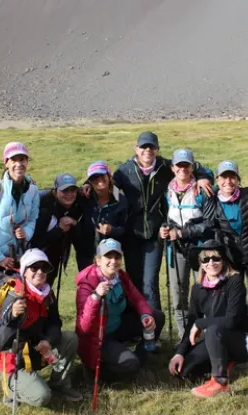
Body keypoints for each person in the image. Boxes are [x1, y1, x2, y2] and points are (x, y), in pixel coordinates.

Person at [111, 131, 213, 311]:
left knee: (150, 281)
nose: (147, 150)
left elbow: (194, 166)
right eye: (143, 147)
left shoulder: (165, 166)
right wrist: (88, 184)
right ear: (136, 149)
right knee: (134, 282)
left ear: (157, 150)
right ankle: (137, 326)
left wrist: (204, 176)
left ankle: (154, 328)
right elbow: (105, 184)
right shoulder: (124, 171)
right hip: (131, 234)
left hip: (155, 234)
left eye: (152, 147)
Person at [0, 249, 82, 406]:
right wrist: (12, 317)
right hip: (14, 361)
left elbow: (55, 323)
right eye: (34, 268)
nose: (40, 272)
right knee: (43, 397)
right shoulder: (14, 295)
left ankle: (59, 384)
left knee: (70, 339)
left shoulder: (47, 294)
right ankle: (10, 388)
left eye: (44, 268)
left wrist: (48, 341)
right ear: (24, 272)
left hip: (35, 350)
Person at [168, 240, 248, 398]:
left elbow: (231, 321)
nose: (211, 263)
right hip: (216, 339)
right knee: (184, 371)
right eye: (206, 259)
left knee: (214, 329)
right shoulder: (197, 289)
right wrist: (179, 353)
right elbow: (191, 323)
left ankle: (220, 381)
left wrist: (200, 323)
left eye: (216, 258)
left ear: (223, 260)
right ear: (200, 264)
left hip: (242, 340)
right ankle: (223, 363)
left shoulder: (235, 281)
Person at [75, 238, 165, 379]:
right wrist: (95, 297)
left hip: (117, 326)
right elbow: (83, 327)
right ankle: (95, 371)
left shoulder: (120, 276)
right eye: (108, 257)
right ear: (98, 260)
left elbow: (138, 299)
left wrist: (145, 315)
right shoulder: (87, 284)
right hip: (99, 337)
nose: (113, 261)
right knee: (130, 364)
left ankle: (140, 361)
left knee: (157, 317)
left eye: (117, 257)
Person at [201, 160, 248, 325]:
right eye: (223, 177)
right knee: (235, 300)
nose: (228, 181)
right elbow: (208, 224)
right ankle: (236, 330)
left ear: (238, 179)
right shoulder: (212, 199)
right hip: (231, 260)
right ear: (217, 180)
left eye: (232, 177)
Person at [159, 148, 211, 340]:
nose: (183, 169)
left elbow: (209, 223)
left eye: (186, 165)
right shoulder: (168, 190)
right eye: (179, 165)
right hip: (177, 250)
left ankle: (206, 336)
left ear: (192, 166)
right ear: (173, 168)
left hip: (200, 248)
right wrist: (164, 228)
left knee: (204, 292)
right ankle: (184, 338)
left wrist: (181, 232)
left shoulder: (202, 190)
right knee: (178, 295)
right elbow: (166, 217)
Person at [0, 141, 40, 275]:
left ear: (27, 162)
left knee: (20, 296)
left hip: (19, 257)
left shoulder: (33, 191)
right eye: (13, 159)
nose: (18, 164)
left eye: (22, 159)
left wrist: (26, 232)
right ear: (6, 163)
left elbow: (33, 219)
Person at [30, 172, 84, 286]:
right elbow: (35, 242)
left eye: (72, 190)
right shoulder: (44, 210)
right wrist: (59, 230)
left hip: (55, 258)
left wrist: (74, 223)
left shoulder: (77, 204)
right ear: (55, 191)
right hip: (36, 261)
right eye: (64, 191)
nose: (69, 194)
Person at [75, 161, 128, 271]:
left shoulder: (120, 199)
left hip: (110, 256)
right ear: (89, 181)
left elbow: (125, 229)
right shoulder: (84, 197)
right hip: (86, 253)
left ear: (108, 176)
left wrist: (111, 230)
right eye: (94, 177)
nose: (99, 180)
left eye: (102, 176)